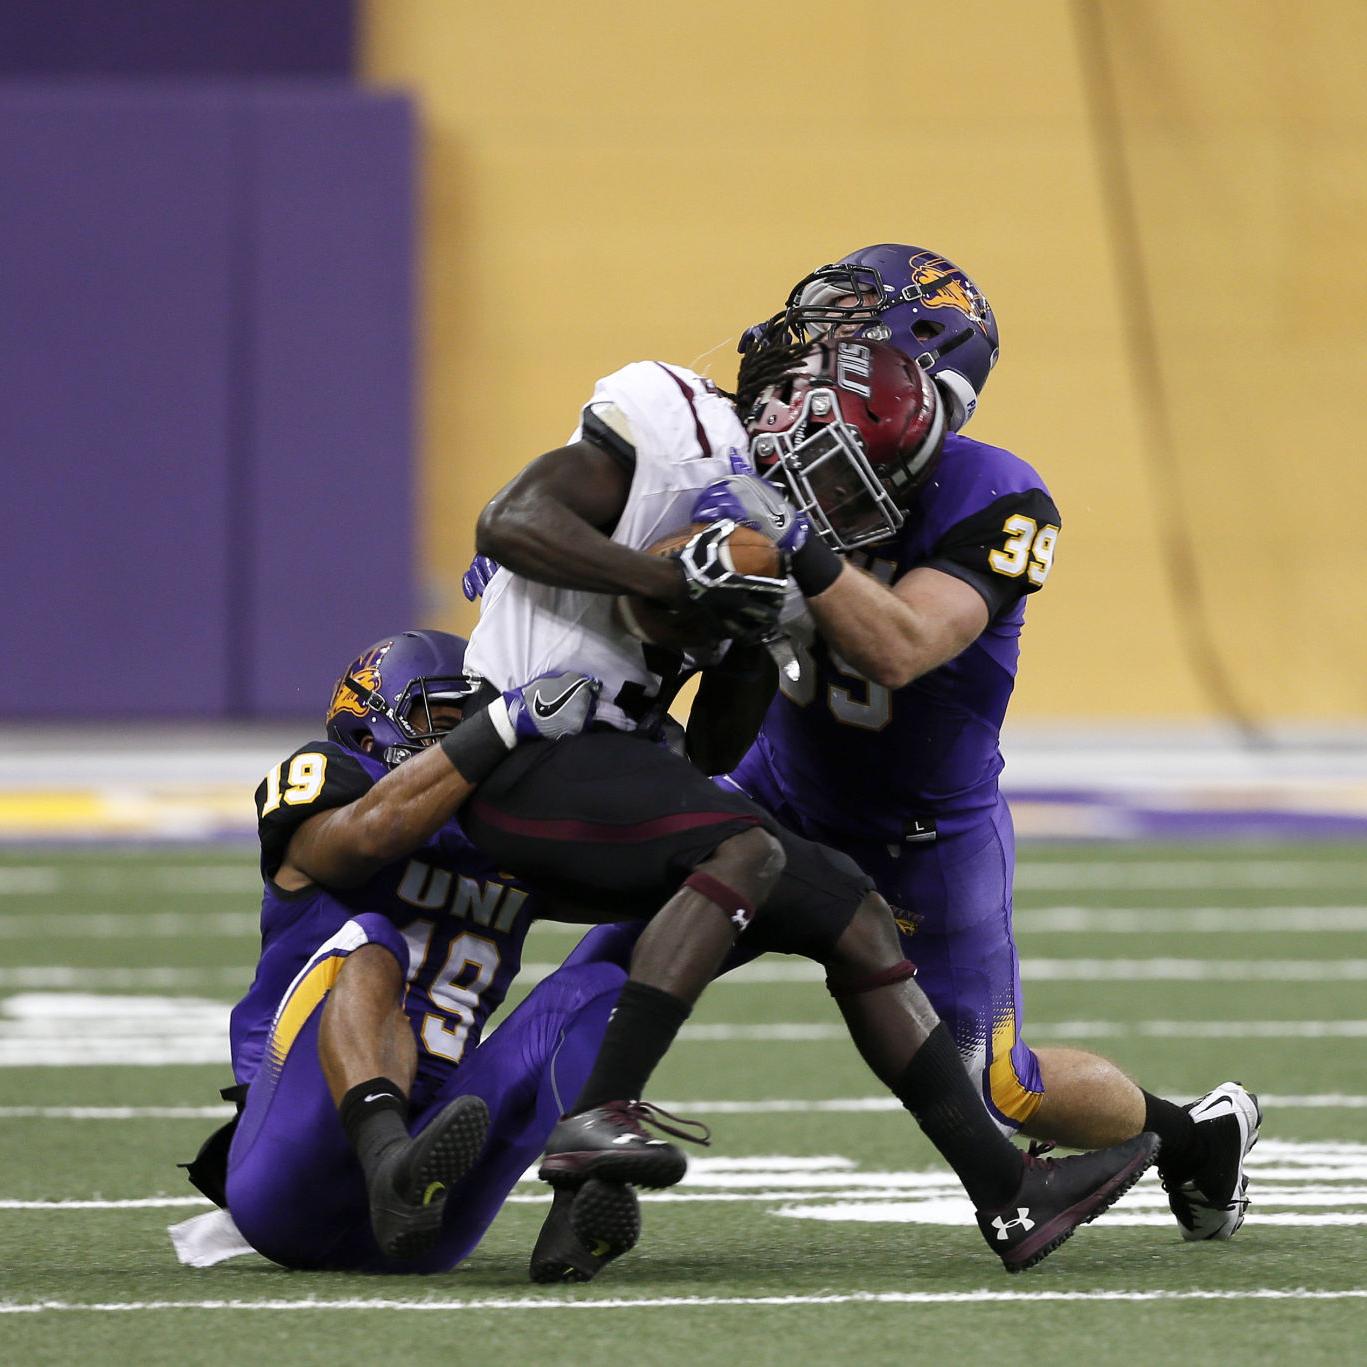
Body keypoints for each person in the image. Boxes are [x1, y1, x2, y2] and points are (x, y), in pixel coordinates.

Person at [460, 341, 1158, 1277]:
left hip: (906, 828)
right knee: (636, 952)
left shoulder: (956, 502)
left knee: (953, 1030)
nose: (859, 499)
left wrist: (764, 598)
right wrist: (672, 583)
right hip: (660, 774)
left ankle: (1101, 1164)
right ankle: (484, 1152)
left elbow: (852, 669)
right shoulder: (694, 440)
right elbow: (518, 523)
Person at [716, 243, 1260, 1242]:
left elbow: (902, 645)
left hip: (920, 837)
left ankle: (1193, 1138)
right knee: (612, 955)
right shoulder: (770, 440)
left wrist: (793, 539)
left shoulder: (994, 493)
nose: (809, 348)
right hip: (776, 786)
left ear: (914, 352)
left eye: (840, 327)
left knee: (995, 1083)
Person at [173, 630, 640, 1281]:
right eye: (443, 725)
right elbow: (367, 838)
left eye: (473, 724)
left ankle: (578, 1206)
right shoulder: (331, 780)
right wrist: (505, 725)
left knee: (598, 983)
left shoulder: (506, 832)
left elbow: (643, 877)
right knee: (368, 936)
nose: (466, 744)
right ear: (368, 732)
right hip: (292, 1166)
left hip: (431, 1208)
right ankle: (387, 1152)